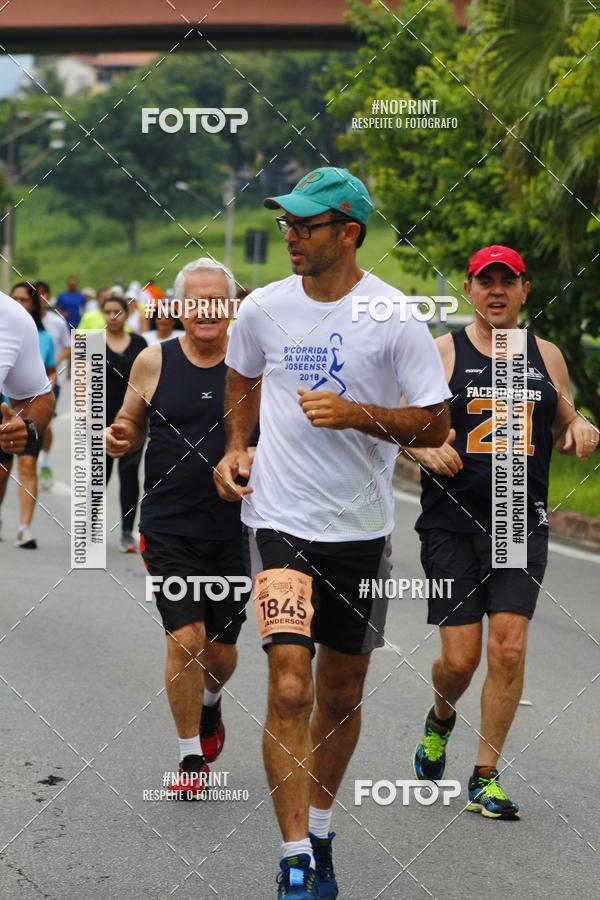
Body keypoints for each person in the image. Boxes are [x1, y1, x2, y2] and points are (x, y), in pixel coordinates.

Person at [214, 166, 451, 899]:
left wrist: (359, 415)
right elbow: (240, 376)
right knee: (289, 682)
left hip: (361, 531)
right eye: (286, 223)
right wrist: (236, 445)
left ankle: (319, 832)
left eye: (305, 225)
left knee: (340, 694)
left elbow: (436, 422)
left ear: (348, 232)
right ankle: (291, 858)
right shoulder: (263, 309)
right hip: (279, 522)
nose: (290, 235)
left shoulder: (394, 316)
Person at [407, 245, 599, 819]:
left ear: (524, 290)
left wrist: (582, 427)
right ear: (469, 289)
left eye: (506, 282)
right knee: (461, 661)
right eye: (485, 281)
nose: (496, 291)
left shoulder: (545, 356)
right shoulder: (443, 353)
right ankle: (440, 717)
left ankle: (484, 775)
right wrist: (423, 447)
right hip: (450, 524)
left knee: (509, 648)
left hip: (520, 519)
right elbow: (399, 425)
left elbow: (569, 417)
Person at [106, 257, 252, 798]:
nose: (207, 310)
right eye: (197, 300)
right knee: (185, 638)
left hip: (238, 526)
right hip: (168, 524)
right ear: (180, 307)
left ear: (232, 307)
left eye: (217, 300)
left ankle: (211, 704)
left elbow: (284, 440)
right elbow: (130, 421)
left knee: (220, 650)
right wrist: (119, 436)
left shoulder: (253, 365)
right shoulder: (154, 360)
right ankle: (191, 756)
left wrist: (247, 457)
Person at [0, 283, 55, 547]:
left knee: (20, 466)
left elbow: (38, 395)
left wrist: (27, 427)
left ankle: (24, 527)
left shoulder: (11, 317)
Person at [104, 293, 147, 552]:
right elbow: (79, 382)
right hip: (99, 420)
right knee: (99, 474)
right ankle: (90, 528)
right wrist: (83, 411)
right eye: (108, 312)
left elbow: (147, 380)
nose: (112, 316)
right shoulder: (92, 343)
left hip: (132, 419)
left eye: (117, 311)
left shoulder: (140, 343)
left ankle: (127, 532)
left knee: (129, 474)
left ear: (126, 314)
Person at [36, 280, 72, 489]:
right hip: (24, 382)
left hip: (49, 381)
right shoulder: (24, 320)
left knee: (45, 423)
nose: (38, 298)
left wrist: (53, 361)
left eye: (42, 294)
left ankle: (46, 462)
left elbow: (68, 348)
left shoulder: (56, 322)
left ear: (48, 297)